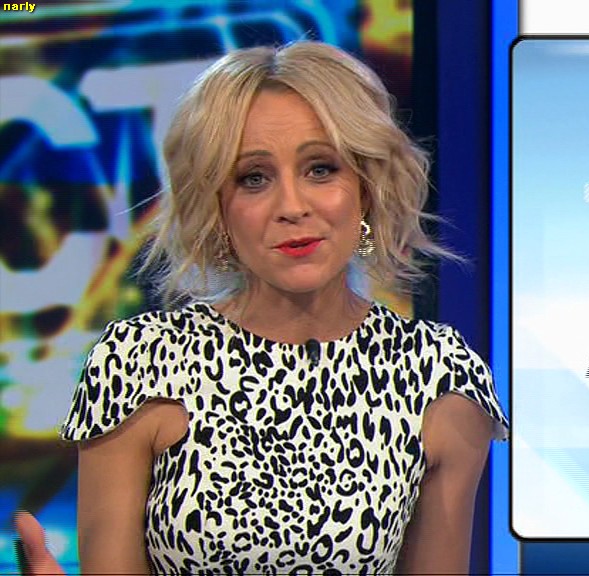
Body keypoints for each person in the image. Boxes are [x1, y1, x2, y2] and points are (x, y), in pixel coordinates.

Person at [13, 41, 508, 574]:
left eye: (321, 169)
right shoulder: (139, 363)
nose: (292, 206)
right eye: (254, 178)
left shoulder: (436, 374)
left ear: (367, 188)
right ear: (217, 207)